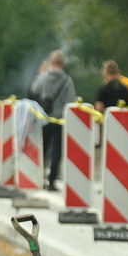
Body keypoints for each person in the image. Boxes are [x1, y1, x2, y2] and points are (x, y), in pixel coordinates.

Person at [29, 50, 76, 191]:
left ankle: (39, 177)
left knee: (43, 148)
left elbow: (34, 88)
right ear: (63, 63)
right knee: (57, 151)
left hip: (45, 118)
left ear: (51, 62)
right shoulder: (67, 80)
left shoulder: (44, 77)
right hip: (60, 120)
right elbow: (71, 100)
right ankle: (52, 181)